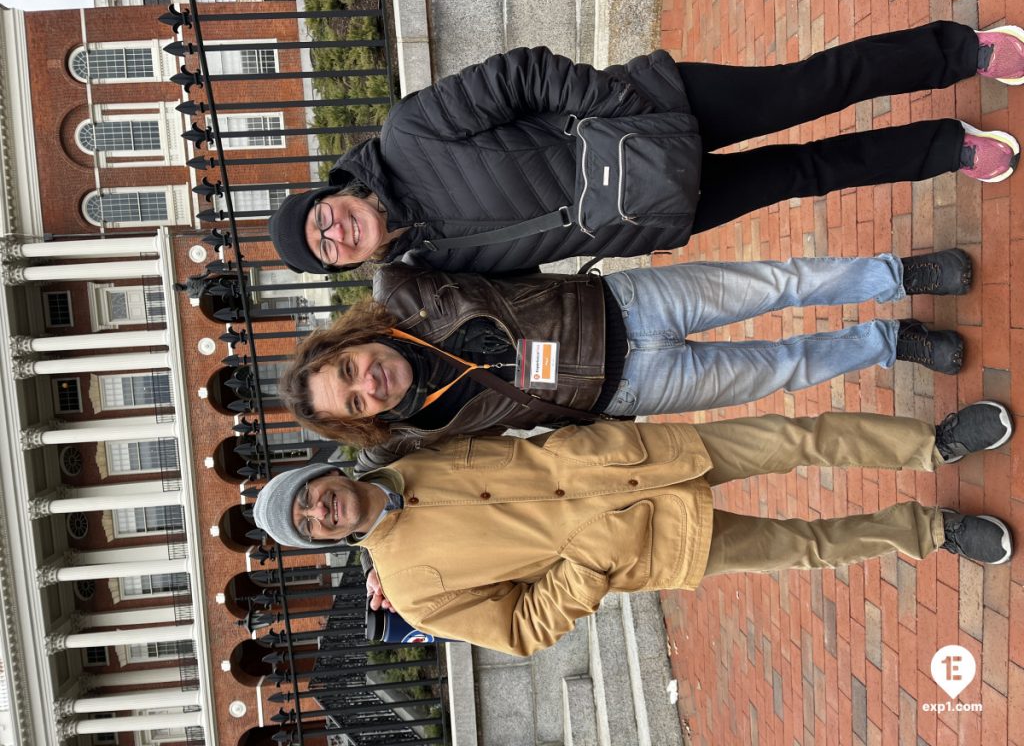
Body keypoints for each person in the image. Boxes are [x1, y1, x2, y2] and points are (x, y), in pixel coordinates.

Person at [252, 402, 1014, 656]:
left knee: (793, 437)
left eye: (309, 496)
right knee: (800, 547)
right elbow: (521, 629)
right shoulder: (413, 593)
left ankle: (930, 443)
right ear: (322, 541)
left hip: (630, 461)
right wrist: (594, 562)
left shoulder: (410, 444)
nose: (320, 511)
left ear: (324, 474)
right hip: (643, 544)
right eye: (308, 525)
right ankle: (931, 530)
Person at [267, 22, 1024, 274]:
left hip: (658, 111)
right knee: (805, 175)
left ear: (331, 194)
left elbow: (522, 75)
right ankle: (945, 148)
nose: (333, 233)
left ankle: (962, 52)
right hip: (656, 212)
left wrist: (617, 106)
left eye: (319, 219)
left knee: (811, 87)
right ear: (346, 262)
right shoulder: (431, 262)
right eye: (325, 249)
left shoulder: (408, 135)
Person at [280, 249, 972, 471]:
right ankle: (890, 343)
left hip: (628, 304)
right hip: (632, 387)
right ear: (365, 421)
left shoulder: (404, 289)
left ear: (349, 343)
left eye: (347, 371)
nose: (366, 385)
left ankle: (896, 275)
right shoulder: (416, 434)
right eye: (356, 404)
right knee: (783, 368)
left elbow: (426, 209)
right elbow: (364, 481)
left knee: (780, 283)